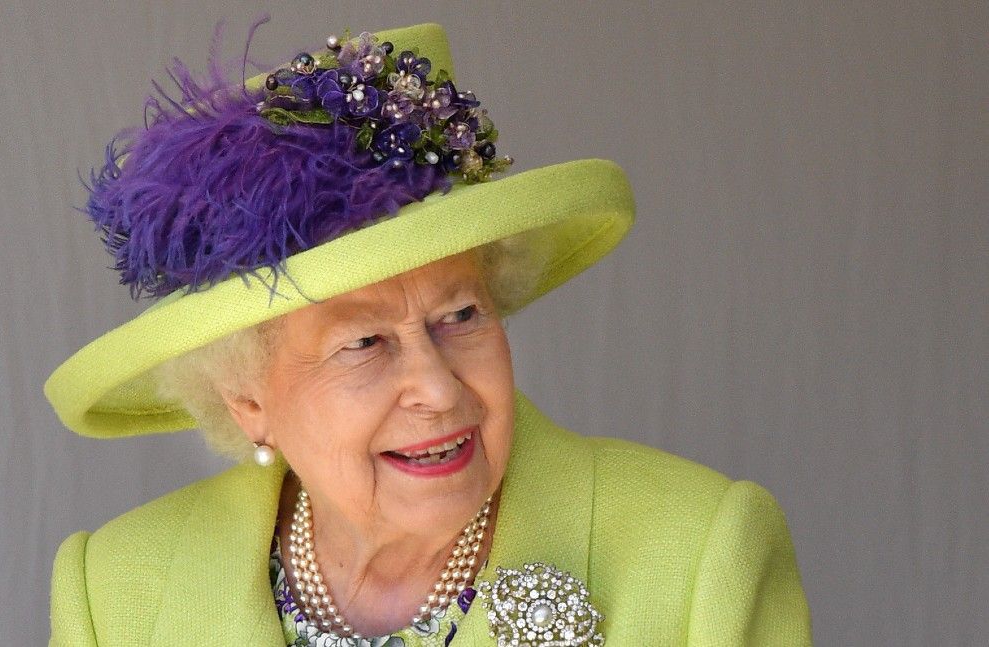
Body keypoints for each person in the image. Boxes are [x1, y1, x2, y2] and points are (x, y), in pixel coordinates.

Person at [46, 21, 811, 646]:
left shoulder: (699, 554)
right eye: (364, 343)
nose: (439, 389)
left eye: (459, 316)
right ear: (246, 399)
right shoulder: (116, 595)